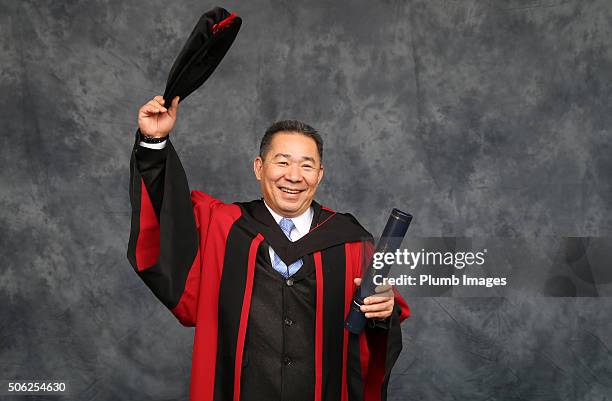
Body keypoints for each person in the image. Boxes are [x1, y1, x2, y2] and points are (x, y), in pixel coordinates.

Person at [127, 95, 410, 401]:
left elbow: (373, 333)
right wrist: (154, 142)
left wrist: (382, 313)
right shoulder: (222, 226)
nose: (293, 175)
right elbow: (167, 224)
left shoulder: (350, 240)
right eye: (283, 161)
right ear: (259, 167)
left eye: (306, 165)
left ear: (319, 175)